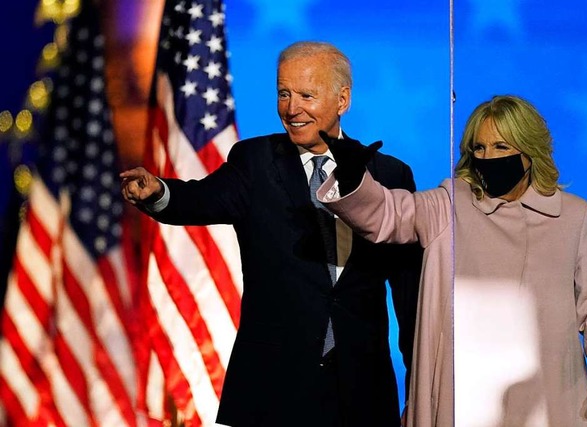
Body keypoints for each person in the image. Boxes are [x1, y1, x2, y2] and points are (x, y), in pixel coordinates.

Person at [120, 41, 422, 427]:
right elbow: (198, 199)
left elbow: (409, 297)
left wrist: (418, 386)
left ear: (342, 99)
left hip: (361, 392)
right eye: (284, 93)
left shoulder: (389, 175)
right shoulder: (255, 162)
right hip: (273, 390)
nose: (291, 109)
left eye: (306, 95)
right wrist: (159, 193)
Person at [318, 95, 587, 427]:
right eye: (479, 148)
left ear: (529, 150)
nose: (488, 157)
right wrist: (355, 180)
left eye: (500, 146)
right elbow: (388, 214)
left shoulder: (572, 216)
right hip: (464, 400)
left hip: (545, 401)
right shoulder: (449, 205)